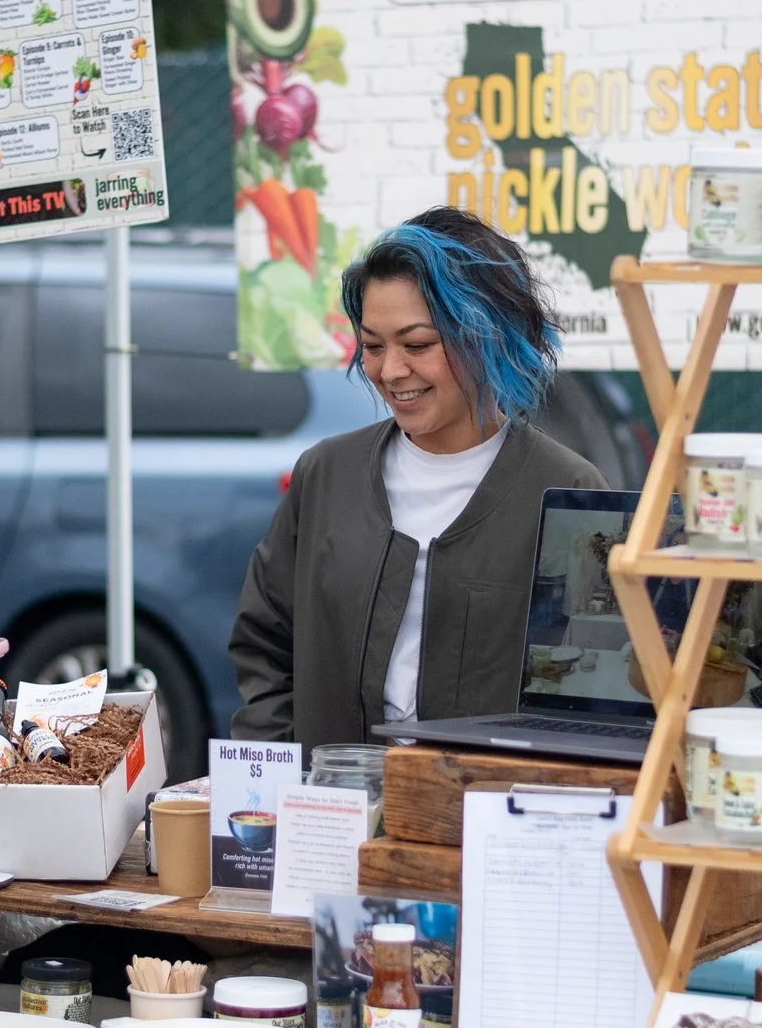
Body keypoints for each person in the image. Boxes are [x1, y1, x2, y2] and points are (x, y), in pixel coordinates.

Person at [229, 206, 605, 750]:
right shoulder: (326, 476)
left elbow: (589, 688)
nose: (390, 370)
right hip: (337, 819)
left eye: (418, 344)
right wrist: (291, 773)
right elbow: (266, 644)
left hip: (484, 821)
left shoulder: (568, 493)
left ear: (487, 336)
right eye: (375, 346)